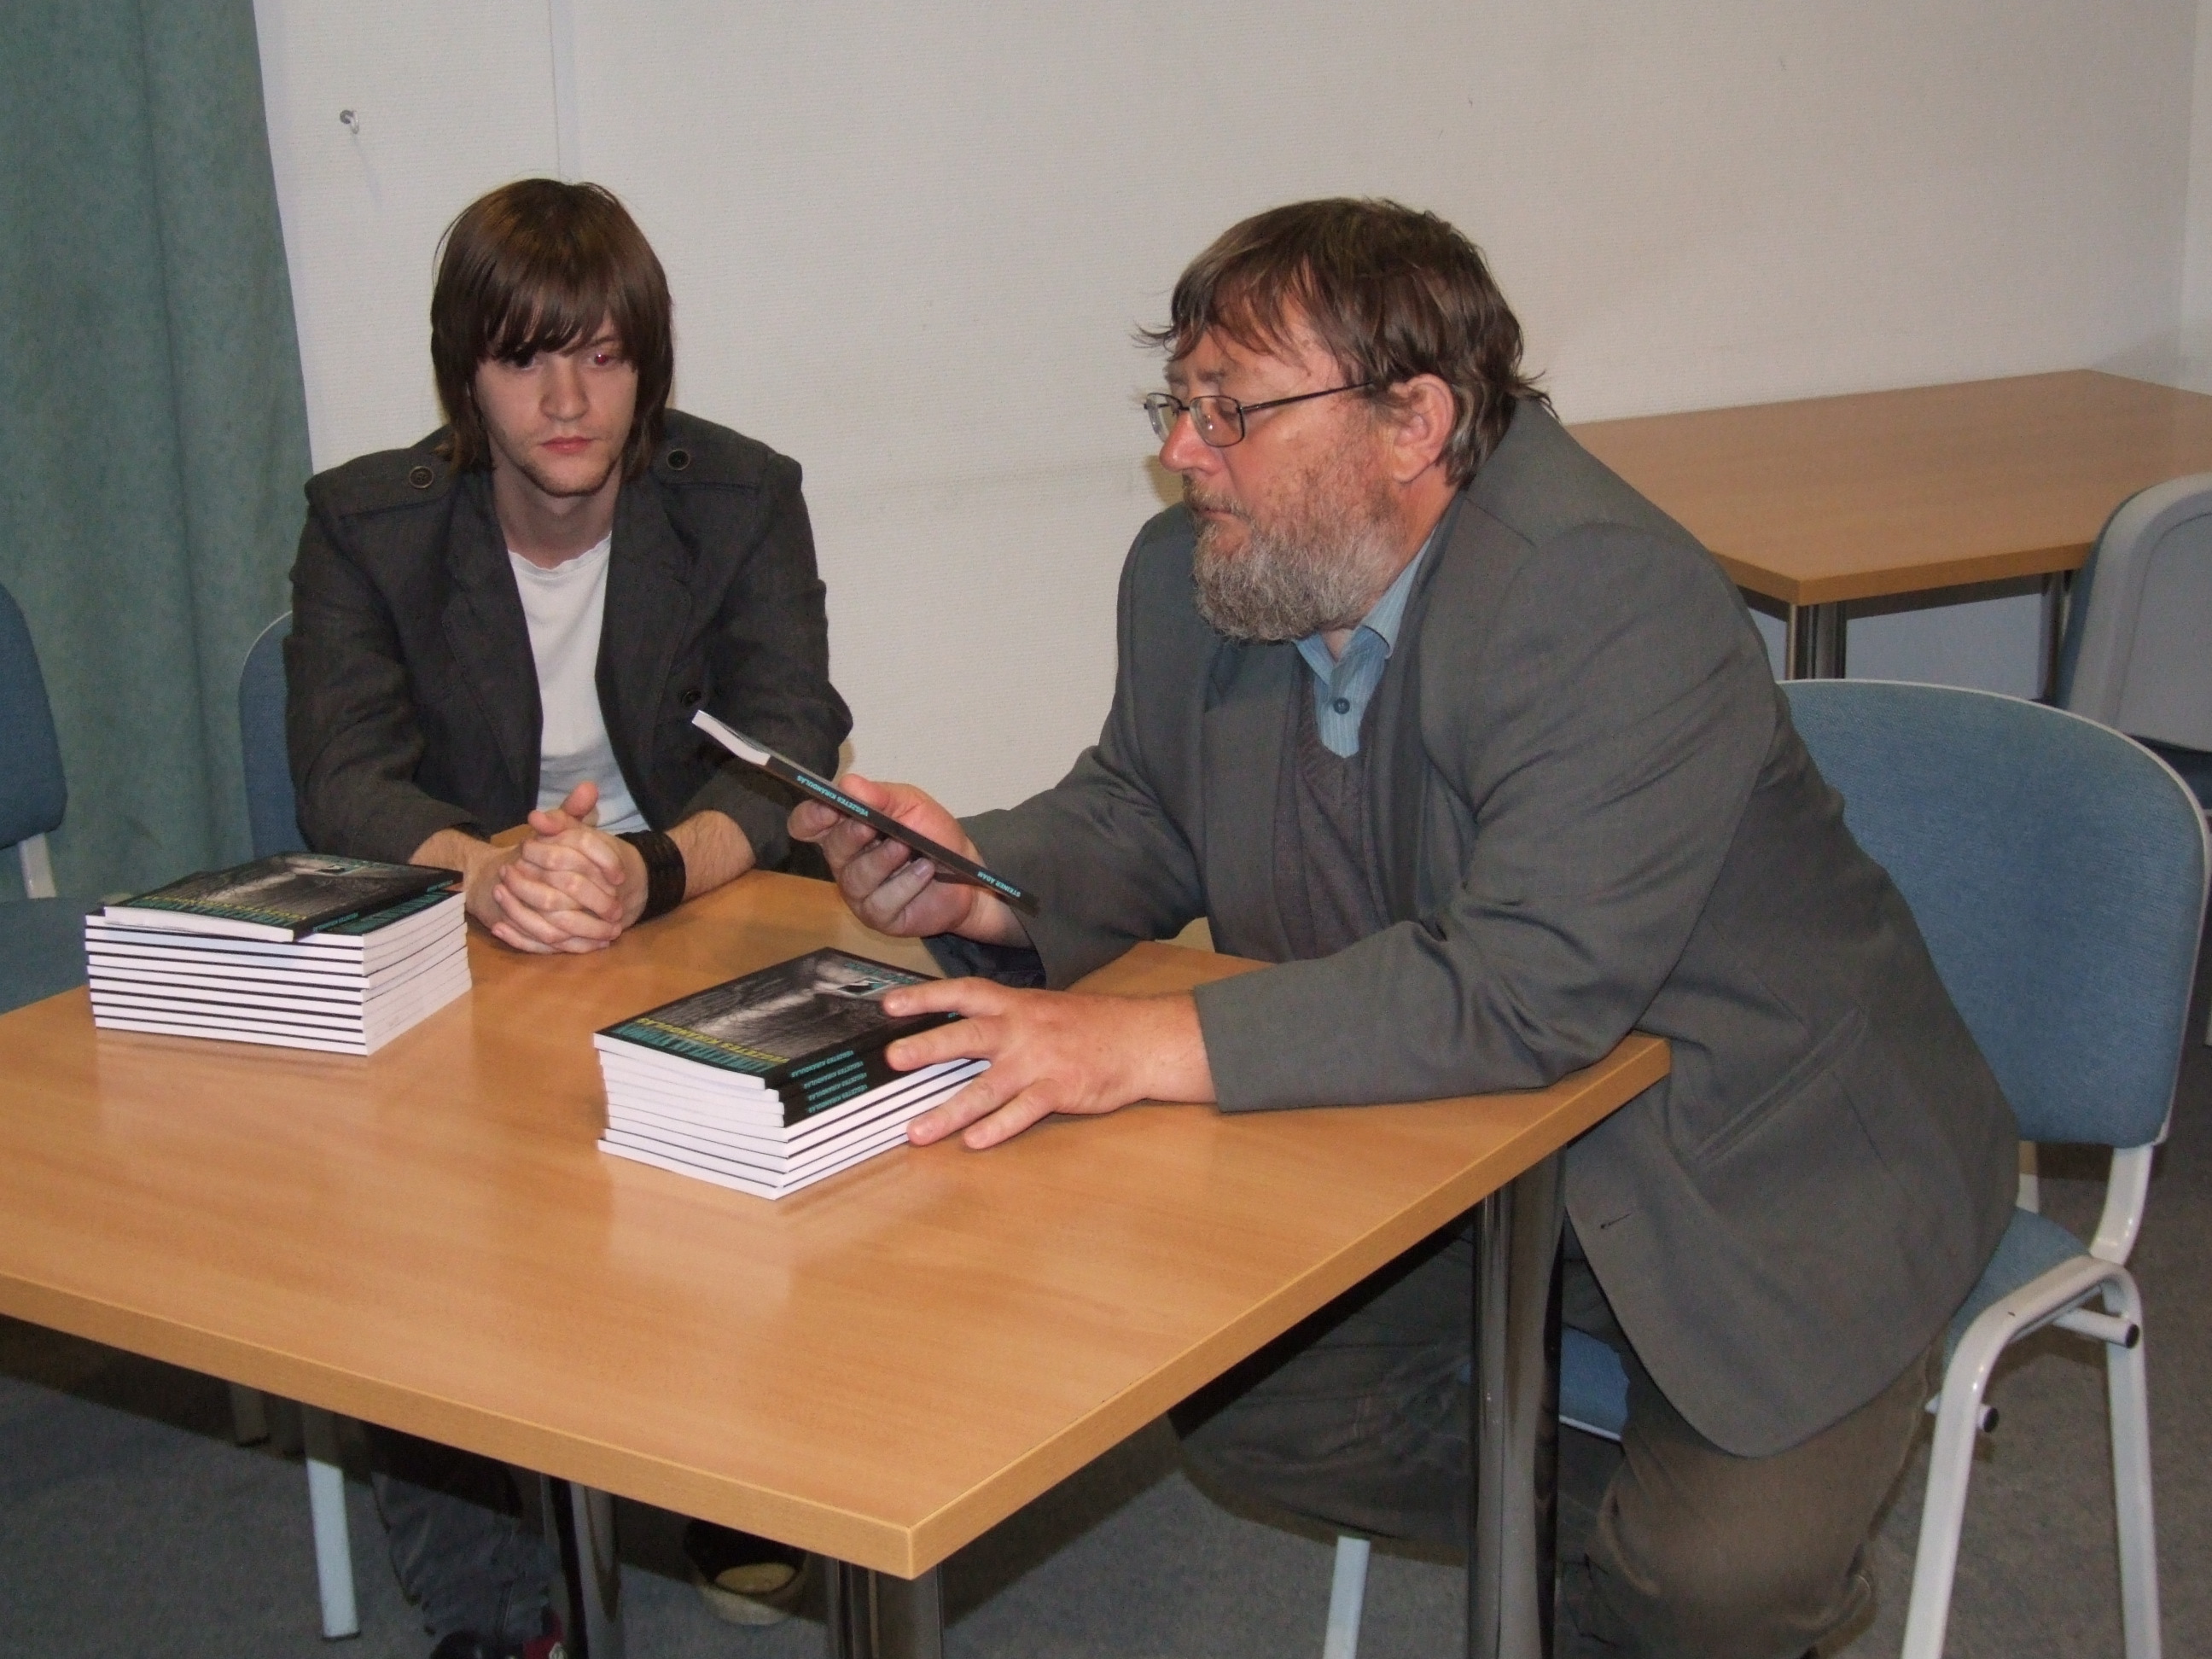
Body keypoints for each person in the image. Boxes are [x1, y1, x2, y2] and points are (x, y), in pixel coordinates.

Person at [795, 199, 2017, 1659]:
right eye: (1178, 403)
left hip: (1758, 1166)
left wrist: (1130, 1046)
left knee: (1713, 1584)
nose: (1184, 451)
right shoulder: (1202, 579)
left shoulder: (1601, 593)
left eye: (1231, 409)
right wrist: (977, 881)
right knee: (1254, 1415)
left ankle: (1698, 1595)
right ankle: (1625, 1578)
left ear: (1413, 421)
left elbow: (1524, 989)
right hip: (1454, 1143)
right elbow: (1141, 811)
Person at [287, 178, 840, 1658]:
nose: (569, 400)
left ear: (648, 366)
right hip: (473, 913)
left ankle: (737, 1478)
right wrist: (489, 873)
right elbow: (342, 775)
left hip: (689, 899)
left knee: (758, 1133)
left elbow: (791, 740)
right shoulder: (367, 524)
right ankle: (491, 1603)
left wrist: (647, 873)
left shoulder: (740, 496)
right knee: (418, 1202)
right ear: (463, 375)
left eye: (602, 355)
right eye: (525, 358)